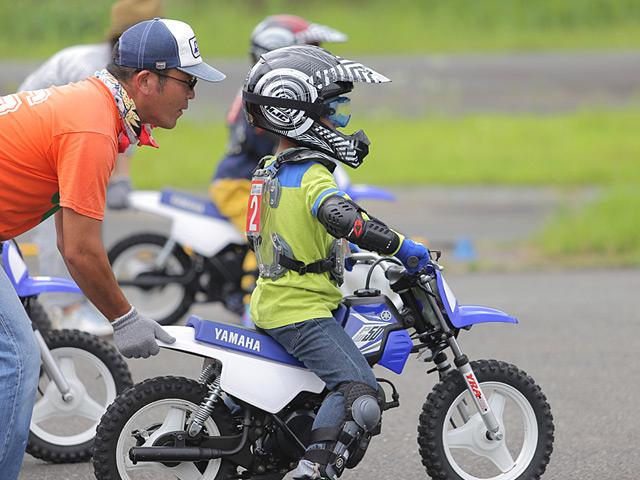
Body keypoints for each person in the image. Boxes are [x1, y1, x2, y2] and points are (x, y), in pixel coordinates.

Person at [0, 18, 225, 479]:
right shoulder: (93, 128)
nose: (193, 95)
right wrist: (124, 318)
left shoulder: (94, 106)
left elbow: (68, 241)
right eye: (187, 81)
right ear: (146, 80)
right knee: (19, 360)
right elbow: (80, 249)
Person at [242, 45, 431, 480]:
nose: (340, 124)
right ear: (296, 115)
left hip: (271, 300)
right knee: (360, 391)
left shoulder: (267, 169)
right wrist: (403, 247)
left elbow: (290, 235)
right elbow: (343, 219)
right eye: (333, 113)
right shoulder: (312, 175)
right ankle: (313, 467)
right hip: (301, 311)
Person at [18, 0, 163, 335]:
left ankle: (72, 304)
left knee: (81, 224)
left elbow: (118, 132)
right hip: (40, 150)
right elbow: (97, 127)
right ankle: (64, 311)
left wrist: (121, 178)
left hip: (59, 142)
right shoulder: (91, 69)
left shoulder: (119, 68)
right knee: (65, 229)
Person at [209, 15, 347, 308]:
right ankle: (251, 296)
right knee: (267, 231)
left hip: (248, 178)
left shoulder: (257, 90)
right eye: (309, 51)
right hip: (239, 183)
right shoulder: (266, 104)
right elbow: (268, 146)